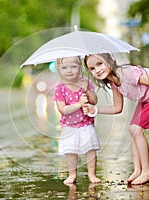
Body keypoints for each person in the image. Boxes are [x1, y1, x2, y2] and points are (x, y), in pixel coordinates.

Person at [82, 53, 149, 185]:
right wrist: (96, 109)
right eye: (92, 68)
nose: (97, 70)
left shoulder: (127, 73)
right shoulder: (114, 82)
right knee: (132, 130)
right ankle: (138, 170)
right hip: (146, 99)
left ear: (111, 60)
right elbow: (117, 107)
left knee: (136, 129)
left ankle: (147, 172)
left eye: (100, 64)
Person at [53, 56, 101, 185]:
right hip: (69, 126)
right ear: (59, 70)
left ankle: (92, 174)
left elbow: (94, 101)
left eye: (73, 66)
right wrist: (78, 104)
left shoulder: (85, 82)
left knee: (90, 149)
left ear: (80, 68)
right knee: (71, 151)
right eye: (64, 68)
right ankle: (72, 174)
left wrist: (86, 90)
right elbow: (62, 109)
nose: (69, 70)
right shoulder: (60, 88)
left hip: (86, 124)